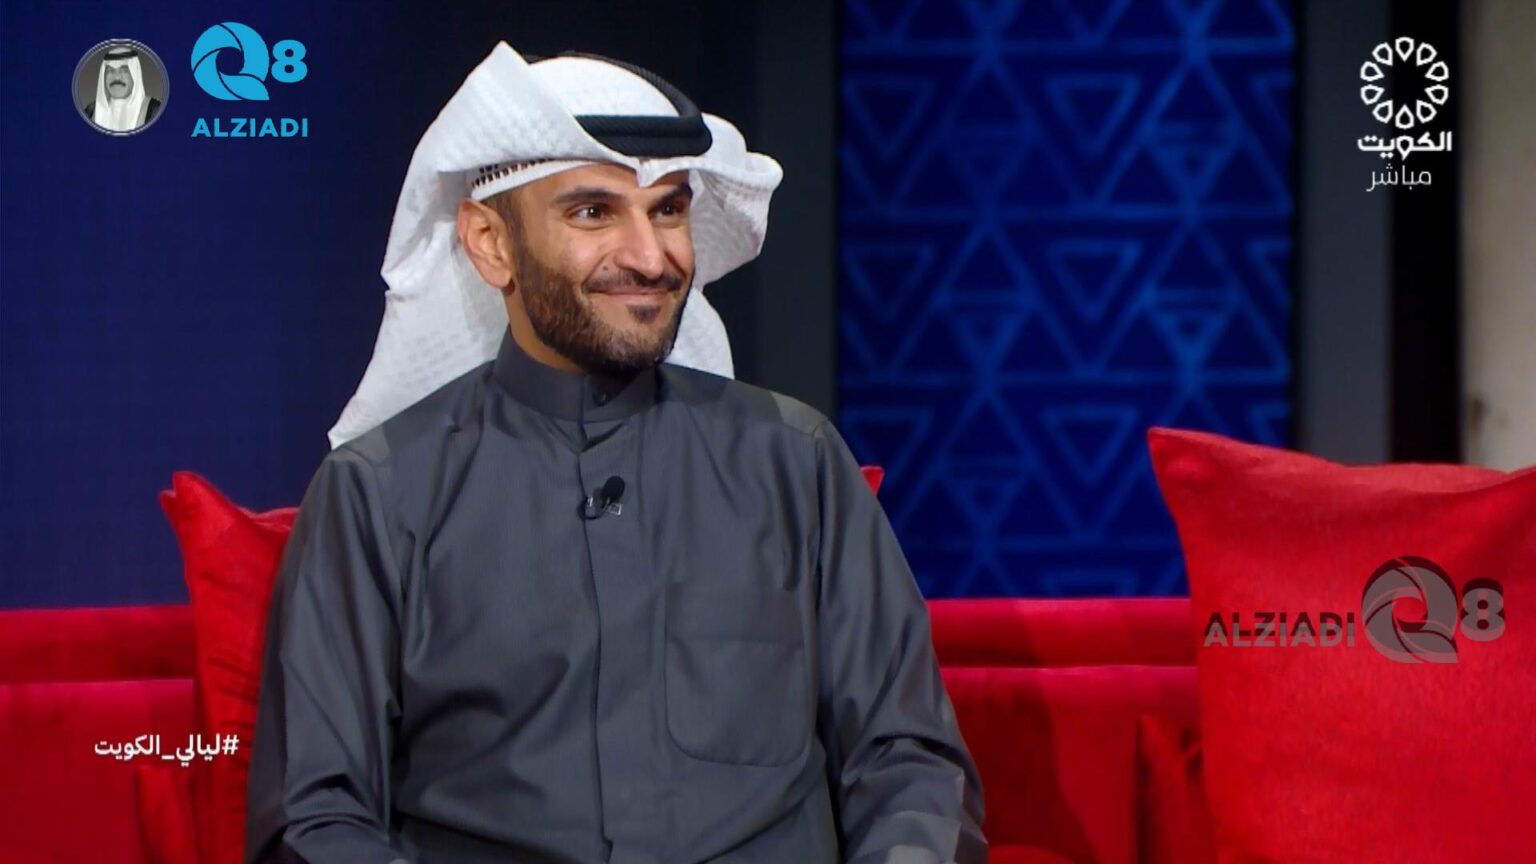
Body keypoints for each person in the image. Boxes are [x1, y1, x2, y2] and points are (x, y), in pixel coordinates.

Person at [246, 44, 986, 864]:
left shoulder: (797, 464)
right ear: (491, 243)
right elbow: (316, 820)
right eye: (594, 212)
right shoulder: (378, 496)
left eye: (667, 210)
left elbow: (911, 766)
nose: (650, 256)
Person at [83, 45, 160, 132]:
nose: (116, 77)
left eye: (124, 70)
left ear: (135, 74)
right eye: (110, 70)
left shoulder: (154, 111)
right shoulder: (91, 111)